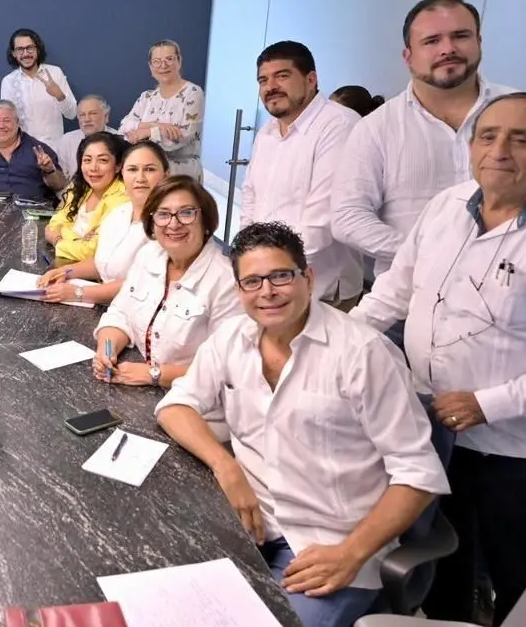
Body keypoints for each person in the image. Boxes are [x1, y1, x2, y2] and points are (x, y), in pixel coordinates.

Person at [349, 93, 526, 625]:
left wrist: (488, 403)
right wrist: (338, 342)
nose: (499, 150)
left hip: (508, 445)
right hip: (427, 420)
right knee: (442, 550)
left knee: (515, 565)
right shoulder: (448, 205)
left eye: (521, 138)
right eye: (488, 136)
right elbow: (396, 289)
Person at [158, 222, 448, 627]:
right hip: (249, 523)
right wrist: (226, 466)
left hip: (329, 545)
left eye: (280, 275)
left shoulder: (364, 355)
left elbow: (418, 474)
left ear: (308, 278)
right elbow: (176, 404)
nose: (268, 292)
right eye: (253, 281)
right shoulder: (231, 338)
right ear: (239, 289)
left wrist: (352, 553)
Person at [333, 0, 526, 281]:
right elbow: (348, 216)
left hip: (514, 298)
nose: (447, 49)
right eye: (432, 40)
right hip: (406, 301)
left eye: (461, 36)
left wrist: (512, 255)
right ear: (408, 56)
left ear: (479, 43)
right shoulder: (376, 127)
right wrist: (424, 253)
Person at [92, 176, 240, 399]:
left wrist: (154, 374)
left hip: (198, 400)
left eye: (186, 213)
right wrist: (107, 350)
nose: (173, 223)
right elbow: (120, 313)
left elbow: (229, 368)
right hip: (138, 386)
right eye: (163, 214)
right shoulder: (149, 254)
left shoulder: (226, 281)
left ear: (206, 220)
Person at [242, 41, 364, 310]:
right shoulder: (268, 132)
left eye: (282, 76)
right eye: (263, 80)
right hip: (269, 280)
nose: (270, 86)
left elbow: (323, 220)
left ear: (311, 80)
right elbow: (250, 196)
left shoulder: (339, 125)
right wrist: (247, 257)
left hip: (321, 287)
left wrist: (268, 270)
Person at [38, 141, 169, 305]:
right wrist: (64, 271)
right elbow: (102, 262)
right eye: (132, 169)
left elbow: (141, 282)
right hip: (111, 305)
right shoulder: (120, 213)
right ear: (123, 172)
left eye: (149, 169)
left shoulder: (169, 222)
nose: (140, 178)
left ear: (166, 174)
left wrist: (79, 293)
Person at [118, 40, 205, 180]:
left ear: (179, 61)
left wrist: (147, 132)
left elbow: (181, 136)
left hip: (180, 173)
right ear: (150, 66)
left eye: (169, 59)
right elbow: (123, 128)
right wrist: (157, 126)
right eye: (157, 61)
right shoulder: (147, 97)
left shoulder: (193, 93)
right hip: (147, 170)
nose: (163, 66)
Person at [44, 133, 129, 263]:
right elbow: (54, 223)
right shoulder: (80, 185)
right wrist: (81, 240)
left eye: (103, 160)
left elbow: (93, 252)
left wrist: (57, 240)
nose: (93, 168)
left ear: (118, 166)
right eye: (87, 160)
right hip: (66, 262)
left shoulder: (123, 199)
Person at [0, 28, 77, 152]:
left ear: (38, 49)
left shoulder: (55, 73)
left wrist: (59, 95)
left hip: (56, 151)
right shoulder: (8, 82)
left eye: (30, 47)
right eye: (20, 49)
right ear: (13, 53)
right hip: (23, 152)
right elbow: (7, 122)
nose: (25, 54)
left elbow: (72, 114)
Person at [57, 95, 120, 180]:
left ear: (106, 116)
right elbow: (61, 179)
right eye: (82, 115)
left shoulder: (119, 140)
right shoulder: (66, 141)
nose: (87, 119)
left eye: (93, 113)